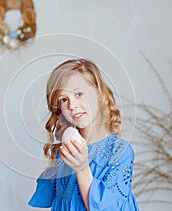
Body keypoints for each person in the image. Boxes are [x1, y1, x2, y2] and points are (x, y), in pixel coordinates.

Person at [28, 59, 139, 211]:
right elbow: (49, 197)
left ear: (99, 93)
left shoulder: (119, 153)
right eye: (63, 99)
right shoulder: (65, 152)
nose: (72, 106)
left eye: (79, 94)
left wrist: (81, 168)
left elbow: (106, 207)